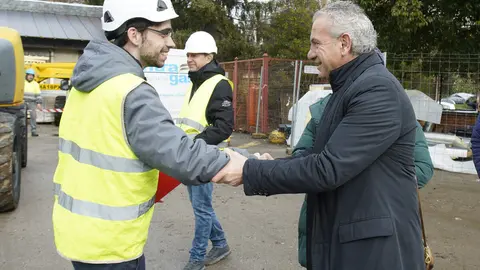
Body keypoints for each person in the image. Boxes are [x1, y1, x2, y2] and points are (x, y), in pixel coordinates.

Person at [213, 1, 425, 269]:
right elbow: (321, 157)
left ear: (344, 44)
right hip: (353, 246)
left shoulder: (376, 90)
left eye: (316, 43)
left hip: (373, 254)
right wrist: (267, 166)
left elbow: (327, 169)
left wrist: (250, 171)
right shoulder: (350, 88)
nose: (310, 53)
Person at [51, 1, 233, 269]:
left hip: (80, 234)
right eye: (165, 33)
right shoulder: (131, 90)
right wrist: (242, 162)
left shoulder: (87, 82)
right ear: (134, 35)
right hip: (112, 245)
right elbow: (180, 154)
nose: (172, 43)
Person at [294, 91, 434, 267]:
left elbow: (422, 167)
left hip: (377, 226)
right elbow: (300, 158)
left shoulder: (395, 110)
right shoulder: (322, 111)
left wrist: (364, 181)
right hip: (323, 220)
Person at [179, 31, 233, 270]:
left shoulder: (218, 84)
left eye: (195, 55)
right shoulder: (196, 82)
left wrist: (195, 144)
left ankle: (197, 258)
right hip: (190, 156)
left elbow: (224, 127)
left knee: (201, 209)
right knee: (202, 207)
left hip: (202, 157)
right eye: (188, 54)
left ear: (209, 56)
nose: (189, 58)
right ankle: (220, 243)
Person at [24, 68, 42, 137]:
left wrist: (39, 103)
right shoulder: (21, 82)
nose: (30, 76)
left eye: (32, 75)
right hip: (23, 102)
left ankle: (33, 131)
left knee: (33, 116)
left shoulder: (35, 84)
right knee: (22, 117)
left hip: (32, 103)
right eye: (29, 75)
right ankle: (23, 131)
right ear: (26, 75)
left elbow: (38, 94)